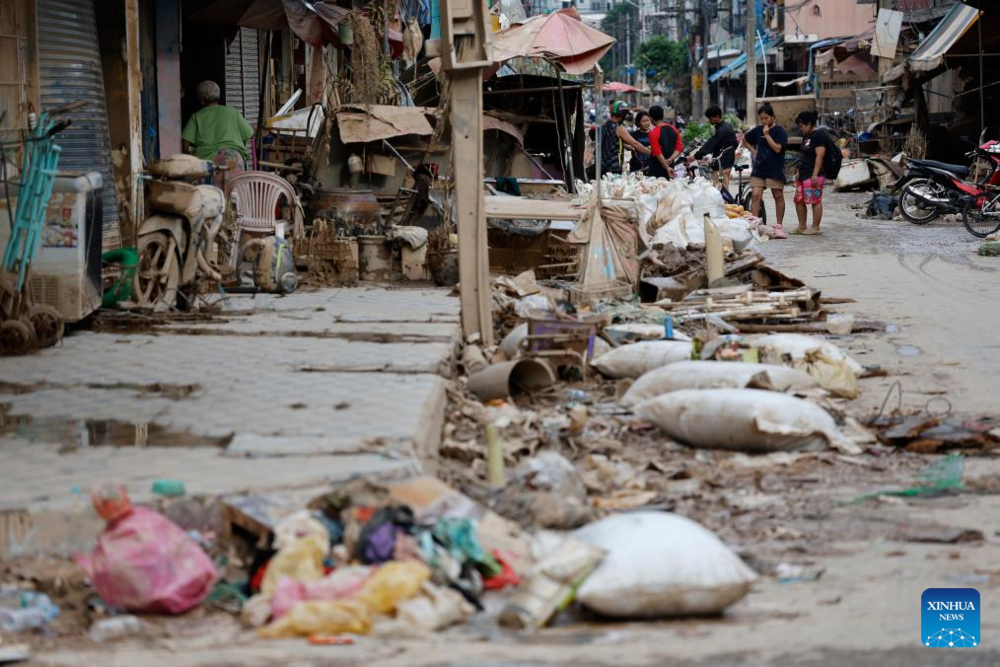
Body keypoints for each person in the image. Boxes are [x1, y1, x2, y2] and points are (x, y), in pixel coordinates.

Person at [182, 80, 254, 190]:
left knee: (211, 199)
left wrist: (192, 154)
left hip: (209, 163)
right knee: (235, 198)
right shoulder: (232, 112)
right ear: (218, 96)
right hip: (233, 160)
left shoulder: (196, 117)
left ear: (201, 100)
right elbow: (249, 134)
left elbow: (185, 145)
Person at [742, 103, 788, 233]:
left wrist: (767, 135)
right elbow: (744, 140)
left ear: (773, 116)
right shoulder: (757, 130)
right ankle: (755, 222)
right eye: (761, 118)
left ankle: (779, 225)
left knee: (778, 196)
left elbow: (778, 149)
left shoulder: (780, 131)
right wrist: (753, 151)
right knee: (756, 195)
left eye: (766, 118)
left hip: (774, 167)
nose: (764, 121)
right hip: (759, 167)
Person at [793, 110, 827, 235]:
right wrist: (798, 171)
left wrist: (815, 174)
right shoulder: (806, 135)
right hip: (803, 173)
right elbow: (803, 155)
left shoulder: (818, 135)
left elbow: (820, 155)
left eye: (802, 126)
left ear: (808, 124)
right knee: (799, 200)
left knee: (814, 200)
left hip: (814, 174)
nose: (800, 129)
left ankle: (815, 227)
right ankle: (802, 226)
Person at [688, 105, 739, 190]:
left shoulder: (721, 130)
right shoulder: (727, 126)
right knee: (724, 189)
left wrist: (695, 156)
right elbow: (734, 144)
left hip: (721, 165)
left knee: (717, 192)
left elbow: (710, 145)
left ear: (717, 117)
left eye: (710, 118)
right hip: (727, 163)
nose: (709, 120)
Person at [599, 101, 651, 175]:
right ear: (621, 114)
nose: (625, 116)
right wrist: (650, 152)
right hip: (614, 167)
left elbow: (611, 142)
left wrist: (626, 146)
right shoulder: (619, 128)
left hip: (603, 165)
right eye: (625, 114)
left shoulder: (605, 125)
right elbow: (635, 143)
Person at [647, 105, 683, 180]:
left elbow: (657, 152)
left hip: (656, 169)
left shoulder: (653, 133)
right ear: (663, 115)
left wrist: (666, 167)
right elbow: (679, 148)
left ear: (650, 118)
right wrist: (670, 159)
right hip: (671, 168)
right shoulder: (674, 129)